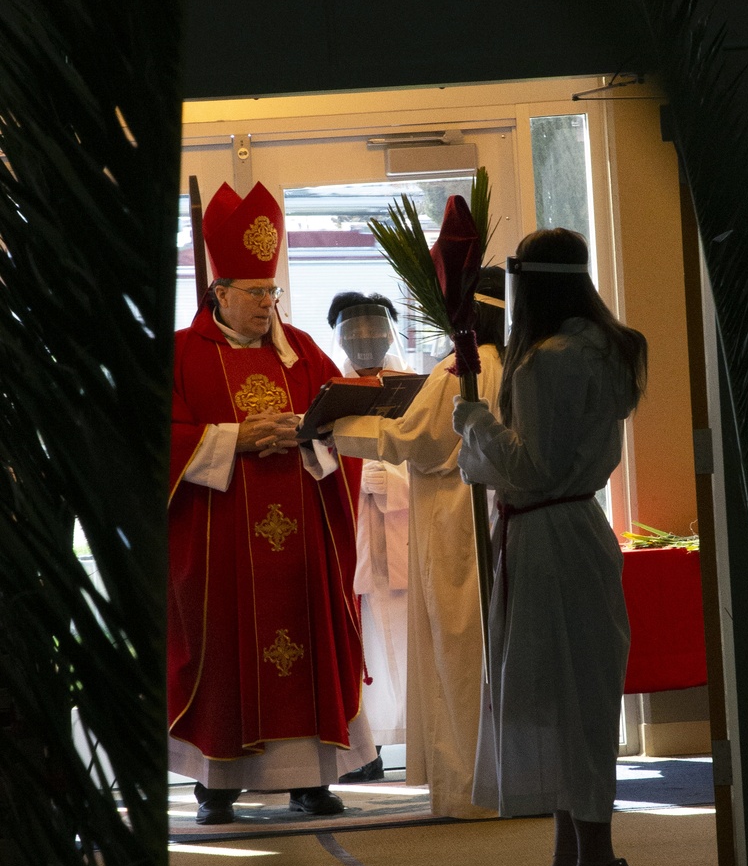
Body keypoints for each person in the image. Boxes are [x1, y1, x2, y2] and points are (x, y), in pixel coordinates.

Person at [452, 229, 647, 866]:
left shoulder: (543, 363)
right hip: (580, 531)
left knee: (562, 697)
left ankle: (593, 860)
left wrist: (474, 422)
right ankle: (573, 859)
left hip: (547, 540)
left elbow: (532, 467)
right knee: (577, 699)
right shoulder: (611, 348)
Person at [169, 180, 375, 824]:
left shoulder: (305, 351)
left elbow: (345, 424)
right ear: (219, 293)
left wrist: (309, 434)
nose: (267, 304)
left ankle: (311, 779)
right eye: (255, 293)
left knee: (307, 641)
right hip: (221, 541)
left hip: (301, 543)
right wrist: (230, 440)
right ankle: (218, 784)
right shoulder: (180, 354)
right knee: (225, 650)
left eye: (272, 291)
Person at [330, 266, 507, 819]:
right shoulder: (517, 363)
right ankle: (512, 779)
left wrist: (325, 429)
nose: (366, 341)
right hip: (497, 520)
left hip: (454, 524)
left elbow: (417, 441)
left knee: (458, 650)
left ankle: (469, 790)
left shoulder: (459, 371)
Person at [327, 293, 410, 782]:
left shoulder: (412, 387)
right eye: (354, 334)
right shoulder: (329, 389)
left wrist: (392, 481)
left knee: (405, 634)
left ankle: (416, 735)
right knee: (364, 645)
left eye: (375, 333)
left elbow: (437, 456)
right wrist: (358, 481)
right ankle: (365, 749)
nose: (366, 343)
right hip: (353, 530)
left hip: (400, 530)